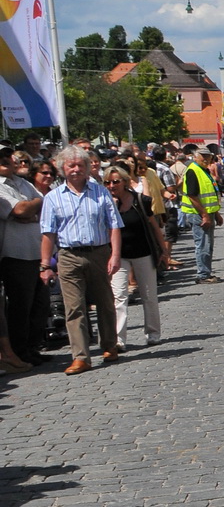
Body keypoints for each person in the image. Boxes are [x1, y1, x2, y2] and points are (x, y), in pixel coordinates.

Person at [38, 148, 123, 375]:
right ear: (62, 169)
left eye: (80, 165)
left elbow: (114, 225)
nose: (76, 169)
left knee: (105, 302)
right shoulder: (52, 198)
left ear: (87, 168)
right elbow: (48, 233)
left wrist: (115, 255)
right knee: (74, 307)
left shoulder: (101, 193)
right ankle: (81, 357)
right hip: (68, 255)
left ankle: (109, 345)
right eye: (71, 165)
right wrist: (45, 264)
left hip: (98, 252)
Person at [104, 165, 167, 349]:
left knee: (149, 295)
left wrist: (163, 250)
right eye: (107, 182)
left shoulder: (140, 200)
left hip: (143, 252)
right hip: (118, 255)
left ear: (124, 182)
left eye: (116, 181)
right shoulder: (106, 203)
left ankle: (153, 333)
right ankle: (119, 339)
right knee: (119, 297)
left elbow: (154, 226)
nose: (111, 185)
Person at [0, 147, 47, 366]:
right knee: (21, 305)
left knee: (40, 303)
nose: (7, 161)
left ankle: (33, 346)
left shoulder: (22, 182)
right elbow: (19, 210)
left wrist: (32, 207)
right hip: (16, 254)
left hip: (37, 250)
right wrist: (31, 206)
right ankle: (19, 350)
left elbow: (44, 201)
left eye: (7, 156)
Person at [181, 146, 223, 282]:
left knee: (208, 244)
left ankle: (206, 273)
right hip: (198, 214)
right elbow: (192, 196)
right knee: (203, 245)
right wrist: (205, 215)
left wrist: (216, 214)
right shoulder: (193, 171)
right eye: (202, 156)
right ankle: (203, 275)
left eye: (208, 156)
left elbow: (210, 196)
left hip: (207, 213)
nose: (206, 159)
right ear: (195, 157)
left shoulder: (204, 170)